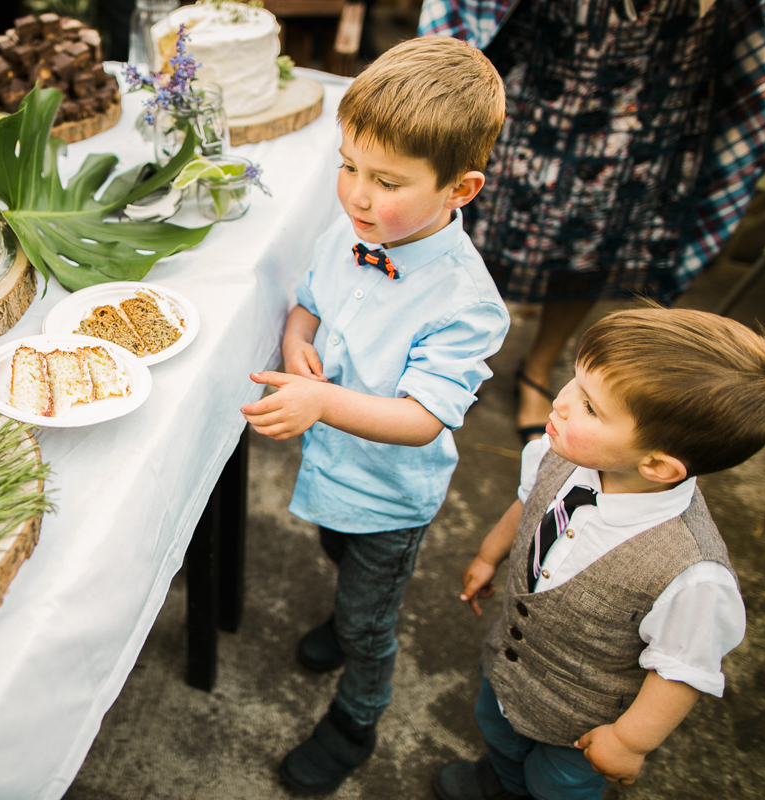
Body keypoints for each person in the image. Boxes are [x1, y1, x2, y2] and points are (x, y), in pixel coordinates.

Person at [239, 35, 510, 795]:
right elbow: (310, 302)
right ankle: (342, 617)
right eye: (348, 166)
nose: (357, 194)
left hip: (390, 496)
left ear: (461, 189)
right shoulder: (354, 230)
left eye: (387, 180)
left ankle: (357, 719)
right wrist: (298, 338)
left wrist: (321, 400)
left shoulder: (465, 304)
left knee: (370, 621)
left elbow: (424, 418)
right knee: (333, 548)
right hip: (332, 467)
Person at [419, 0, 765, 443]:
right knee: (486, 224)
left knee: (599, 242)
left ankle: (539, 364)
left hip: (665, 76)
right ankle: (457, 359)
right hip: (562, 64)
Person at [432, 307, 765, 800]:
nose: (559, 402)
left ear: (658, 465)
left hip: (582, 726)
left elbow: (680, 670)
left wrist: (627, 742)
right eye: (574, 382)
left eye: (591, 407)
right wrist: (491, 554)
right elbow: (529, 501)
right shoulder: (563, 454)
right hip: (511, 670)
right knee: (497, 731)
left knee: (554, 786)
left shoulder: (691, 574)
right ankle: (501, 780)